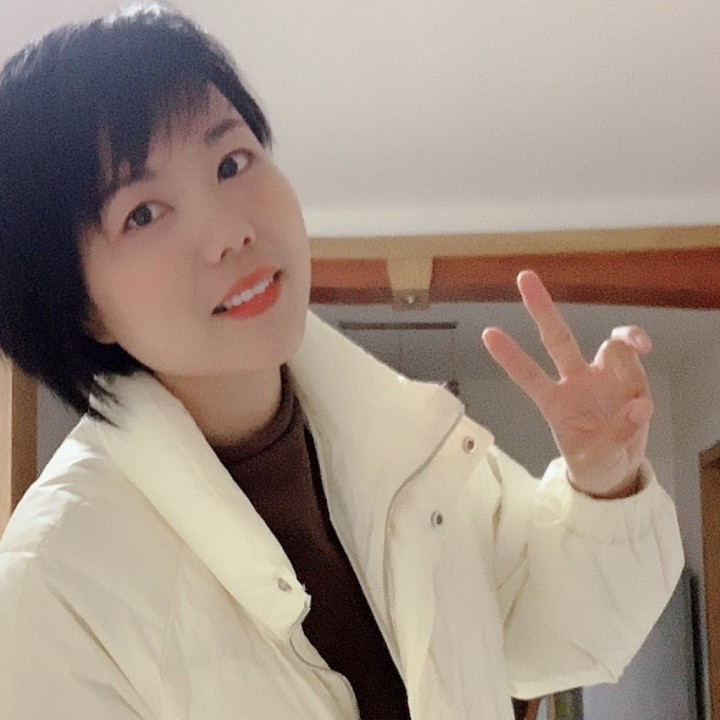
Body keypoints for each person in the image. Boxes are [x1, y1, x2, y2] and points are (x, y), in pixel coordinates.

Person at [0, 6, 683, 720]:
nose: (231, 231)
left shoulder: (411, 443)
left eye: (231, 163)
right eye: (143, 213)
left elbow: (549, 637)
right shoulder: (55, 583)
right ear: (80, 304)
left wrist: (604, 486)